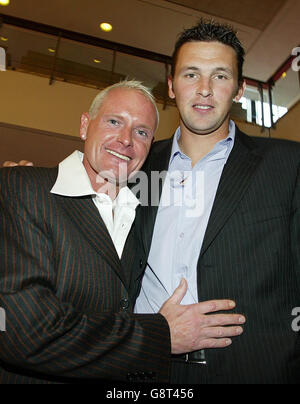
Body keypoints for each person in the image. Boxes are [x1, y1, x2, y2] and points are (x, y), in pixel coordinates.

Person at [0, 80, 245, 384]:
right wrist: (161, 336)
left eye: (141, 132)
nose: (126, 139)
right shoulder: (20, 187)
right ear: (84, 126)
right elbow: (22, 329)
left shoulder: (143, 213)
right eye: (114, 121)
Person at [135, 20, 300, 384]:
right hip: (146, 369)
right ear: (171, 86)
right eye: (191, 74)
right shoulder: (136, 166)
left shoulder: (288, 166)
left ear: (239, 89)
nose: (205, 90)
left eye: (221, 76)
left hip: (253, 370)